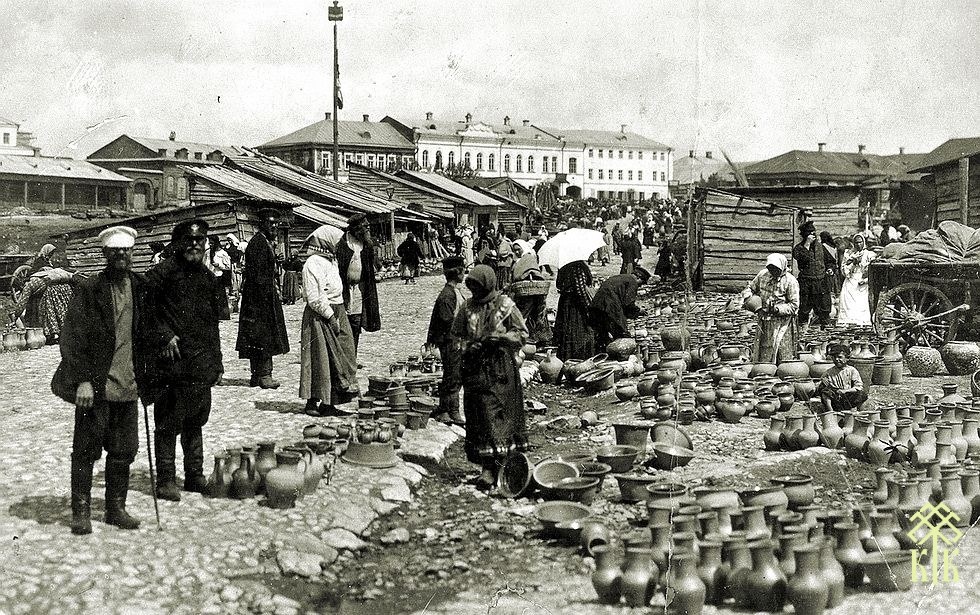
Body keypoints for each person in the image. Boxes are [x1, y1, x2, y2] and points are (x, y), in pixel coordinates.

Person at [51, 226, 145, 535]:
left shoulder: (140, 286)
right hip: (97, 386)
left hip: (128, 384)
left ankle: (116, 507)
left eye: (126, 251)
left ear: (132, 253)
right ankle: (81, 511)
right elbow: (72, 338)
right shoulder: (90, 290)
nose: (121, 256)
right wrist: (82, 381)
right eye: (115, 251)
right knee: (86, 449)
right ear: (105, 254)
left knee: (124, 450)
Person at [145, 219, 228, 501]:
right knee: (168, 423)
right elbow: (145, 314)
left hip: (200, 363)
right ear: (178, 243)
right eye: (189, 240)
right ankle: (166, 480)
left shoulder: (207, 278)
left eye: (200, 240)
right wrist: (164, 335)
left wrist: (217, 363)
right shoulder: (161, 274)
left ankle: (194, 476)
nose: (195, 244)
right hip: (172, 364)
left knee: (196, 420)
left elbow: (212, 325)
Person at [451, 265, 529, 490]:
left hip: (501, 369)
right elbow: (456, 336)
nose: (476, 292)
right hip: (476, 369)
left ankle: (503, 465)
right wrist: (468, 346)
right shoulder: (467, 308)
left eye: (479, 288)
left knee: (501, 416)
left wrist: (503, 338)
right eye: (472, 288)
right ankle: (487, 467)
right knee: (481, 416)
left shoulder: (506, 305)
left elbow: (522, 333)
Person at [299, 225, 360, 417]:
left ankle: (331, 402)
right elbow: (314, 296)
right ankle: (312, 402)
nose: (341, 245)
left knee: (343, 354)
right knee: (321, 359)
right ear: (327, 242)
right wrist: (331, 316)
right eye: (338, 242)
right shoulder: (313, 263)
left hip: (337, 309)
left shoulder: (331, 260)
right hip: (321, 315)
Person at [236, 209, 289, 389]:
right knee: (264, 335)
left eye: (276, 223)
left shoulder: (263, 242)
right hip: (260, 298)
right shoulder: (258, 243)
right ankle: (264, 376)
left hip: (258, 296)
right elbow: (259, 276)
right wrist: (266, 300)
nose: (274, 226)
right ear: (262, 224)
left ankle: (256, 376)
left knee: (256, 336)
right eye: (270, 223)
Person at [426, 256, 467, 425]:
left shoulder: (454, 291)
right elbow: (447, 321)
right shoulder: (447, 296)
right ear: (456, 273)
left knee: (454, 375)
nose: (464, 274)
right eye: (463, 271)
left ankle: (448, 408)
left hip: (456, 340)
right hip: (451, 341)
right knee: (453, 376)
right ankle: (448, 410)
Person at [742, 253, 800, 363]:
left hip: (783, 322)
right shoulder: (763, 275)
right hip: (764, 318)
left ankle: (782, 372)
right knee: (765, 349)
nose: (772, 271)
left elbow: (794, 306)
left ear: (782, 267)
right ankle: (765, 371)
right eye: (770, 268)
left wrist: (777, 309)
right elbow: (750, 288)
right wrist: (749, 298)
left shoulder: (790, 281)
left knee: (782, 351)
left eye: (775, 269)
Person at [337, 213, 382, 352]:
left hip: (359, 289)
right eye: (365, 226)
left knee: (356, 322)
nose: (368, 229)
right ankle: (343, 357)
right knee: (343, 324)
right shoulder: (343, 243)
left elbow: (372, 265)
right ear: (357, 228)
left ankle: (352, 356)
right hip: (343, 289)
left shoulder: (366, 245)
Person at [9, 264, 75, 343]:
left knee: (48, 311)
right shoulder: (36, 278)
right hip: (65, 289)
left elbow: (22, 303)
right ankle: (65, 333)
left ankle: (54, 335)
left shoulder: (28, 285)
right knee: (62, 312)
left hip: (52, 291)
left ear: (21, 284)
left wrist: (15, 316)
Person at [590, 267, 651, 348]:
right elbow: (628, 303)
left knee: (602, 334)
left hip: (597, 305)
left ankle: (602, 353)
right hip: (609, 306)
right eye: (642, 283)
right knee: (621, 333)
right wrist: (638, 311)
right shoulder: (632, 282)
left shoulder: (621, 277)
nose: (640, 286)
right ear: (638, 277)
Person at [508, 240, 552, 345]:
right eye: (515, 250)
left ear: (523, 247)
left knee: (525, 315)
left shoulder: (529, 258)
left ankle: (528, 338)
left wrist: (526, 276)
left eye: (519, 249)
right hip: (522, 292)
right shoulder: (519, 260)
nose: (517, 252)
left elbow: (534, 272)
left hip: (530, 293)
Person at [554, 259, 595, 360]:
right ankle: (579, 357)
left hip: (565, 302)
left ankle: (566, 357)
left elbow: (558, 285)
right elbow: (580, 290)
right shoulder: (578, 267)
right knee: (578, 331)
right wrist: (587, 307)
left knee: (566, 330)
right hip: (575, 304)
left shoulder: (563, 266)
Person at [792, 221, 830, 331]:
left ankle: (824, 332)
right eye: (810, 234)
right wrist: (807, 245)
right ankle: (803, 331)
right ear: (805, 235)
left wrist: (830, 269)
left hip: (821, 282)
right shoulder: (799, 248)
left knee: (824, 308)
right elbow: (803, 258)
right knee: (804, 308)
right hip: (806, 282)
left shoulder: (821, 247)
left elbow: (830, 261)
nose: (813, 236)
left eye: (814, 233)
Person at [816, 344, 868, 412]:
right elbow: (817, 387)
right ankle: (831, 412)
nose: (837, 359)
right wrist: (822, 382)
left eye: (840, 357)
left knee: (862, 394)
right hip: (835, 400)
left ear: (847, 358)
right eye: (834, 357)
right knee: (825, 391)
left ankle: (860, 413)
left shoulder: (852, 370)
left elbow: (859, 386)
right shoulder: (829, 372)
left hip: (848, 396)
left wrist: (846, 391)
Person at [837, 233, 876, 326]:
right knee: (847, 303)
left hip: (862, 282)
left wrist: (865, 280)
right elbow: (844, 271)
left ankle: (862, 324)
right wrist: (853, 263)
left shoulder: (869, 254)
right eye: (856, 243)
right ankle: (848, 323)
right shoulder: (848, 254)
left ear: (864, 242)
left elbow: (872, 271)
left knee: (861, 303)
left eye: (860, 242)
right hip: (850, 281)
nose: (858, 245)